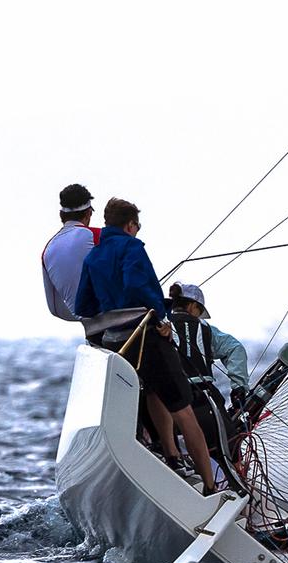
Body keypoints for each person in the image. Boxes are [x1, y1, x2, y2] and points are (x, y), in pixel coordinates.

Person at [74, 197, 218, 495]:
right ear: (130, 225)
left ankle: (171, 456)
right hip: (146, 337)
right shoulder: (132, 247)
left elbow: (82, 305)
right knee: (184, 409)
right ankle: (210, 485)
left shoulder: (93, 257)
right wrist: (161, 316)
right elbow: (136, 286)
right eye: (136, 227)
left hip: (115, 344)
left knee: (152, 391)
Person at [167, 282, 250, 483]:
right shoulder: (206, 330)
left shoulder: (159, 325)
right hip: (205, 400)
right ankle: (245, 500)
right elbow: (235, 349)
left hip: (171, 401)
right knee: (231, 452)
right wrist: (239, 386)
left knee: (175, 454)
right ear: (192, 306)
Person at [42, 184, 101, 321]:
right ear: (88, 213)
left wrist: (83, 318)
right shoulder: (99, 236)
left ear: (61, 215)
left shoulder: (47, 251)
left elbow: (55, 309)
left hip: (92, 334)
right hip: (124, 326)